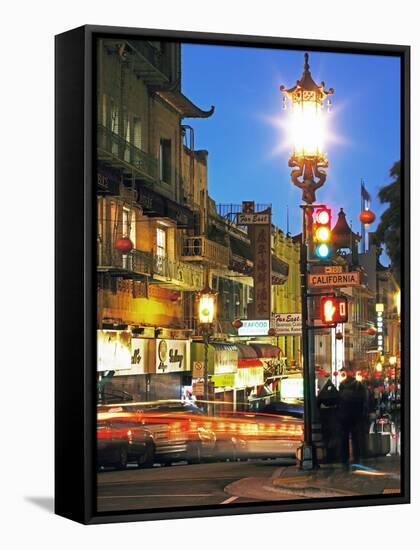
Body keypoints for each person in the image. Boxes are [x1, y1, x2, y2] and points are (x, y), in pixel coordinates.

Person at [337, 364, 368, 467]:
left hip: (344, 416)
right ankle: (357, 457)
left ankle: (344, 459)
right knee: (356, 438)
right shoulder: (359, 386)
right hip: (356, 415)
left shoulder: (342, 385)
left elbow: (339, 398)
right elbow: (364, 399)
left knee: (344, 438)